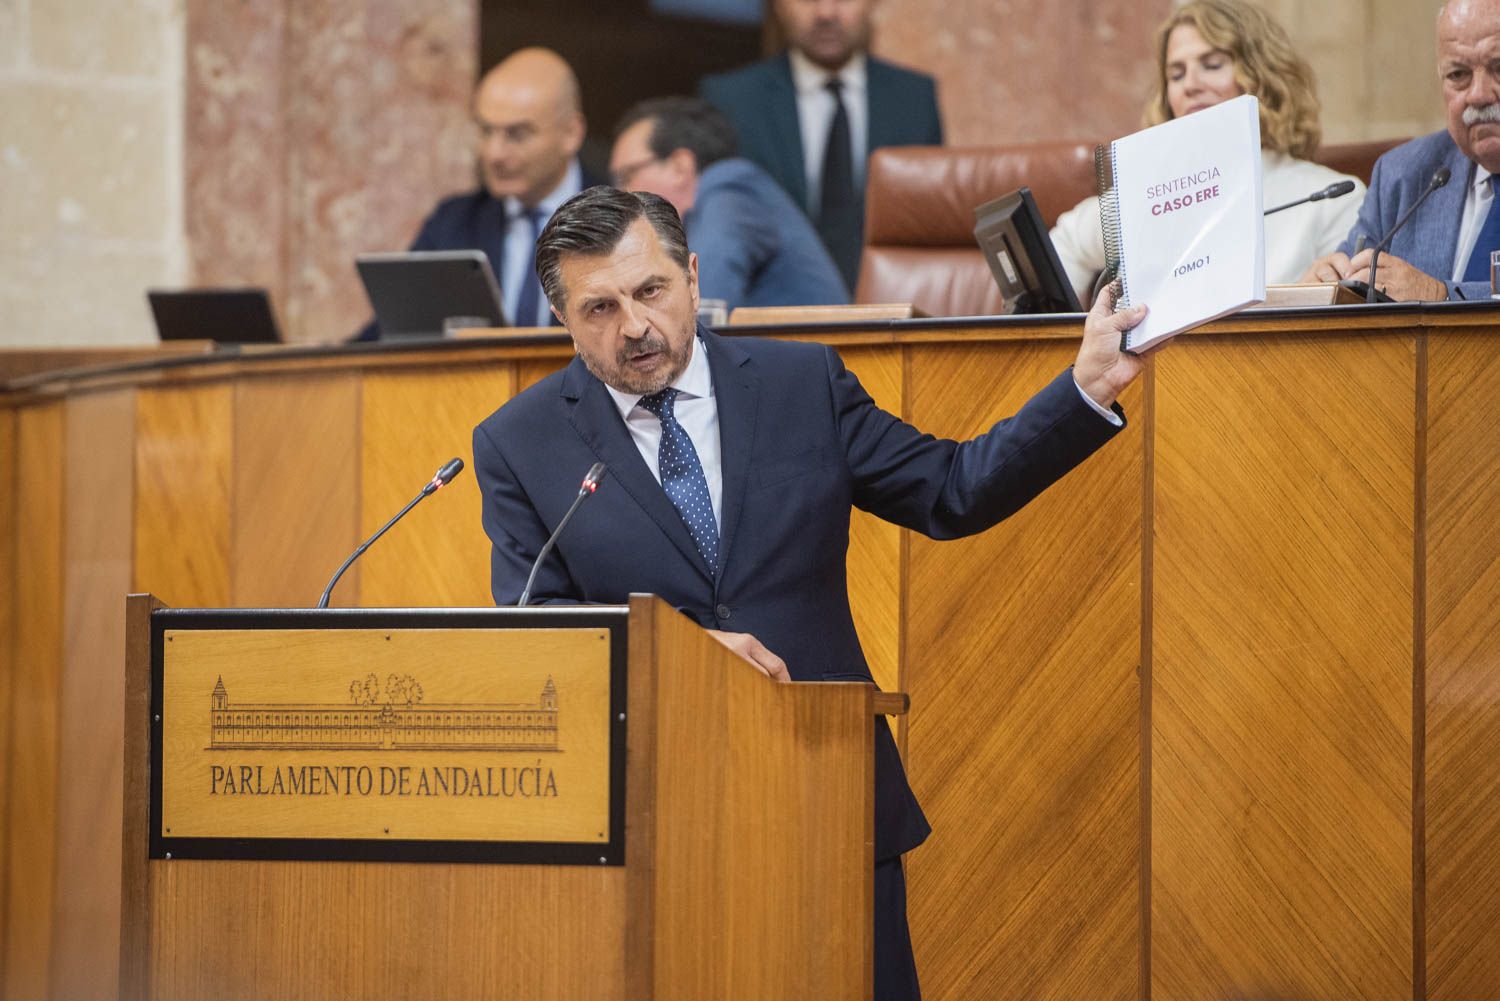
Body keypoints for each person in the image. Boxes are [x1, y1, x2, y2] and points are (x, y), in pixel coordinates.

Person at [470, 185, 1150, 1001]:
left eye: (650, 291)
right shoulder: (519, 441)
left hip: (827, 793)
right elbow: (535, 631)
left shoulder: (803, 382)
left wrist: (1085, 388)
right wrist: (682, 657)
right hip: (656, 822)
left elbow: (953, 488)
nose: (635, 327)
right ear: (562, 317)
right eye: (600, 308)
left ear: (691, 275)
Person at [1051, 0, 1364, 304]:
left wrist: (1301, 298)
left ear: (1263, 77)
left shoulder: (1331, 199)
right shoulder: (1152, 192)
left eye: (1212, 65)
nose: (1190, 84)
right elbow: (1067, 242)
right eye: (1176, 74)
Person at [700, 0, 943, 292]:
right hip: (772, 311)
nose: (826, 13)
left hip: (890, 305)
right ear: (778, 7)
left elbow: (927, 225)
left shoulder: (914, 98)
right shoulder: (732, 100)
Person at [357, 48, 601, 338]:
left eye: (517, 134)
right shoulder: (453, 223)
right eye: (486, 132)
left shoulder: (620, 218)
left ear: (571, 133)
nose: (494, 153)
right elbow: (393, 329)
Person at [1302, 0, 1500, 301]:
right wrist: (1324, 288)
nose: (1478, 95)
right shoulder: (1405, 174)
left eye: (1498, 68)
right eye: (1458, 75)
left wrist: (1441, 296)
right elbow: (1350, 285)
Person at [610, 96, 849, 311]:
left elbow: (700, 307)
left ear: (679, 168)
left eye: (626, 176)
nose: (621, 193)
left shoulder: (731, 189)